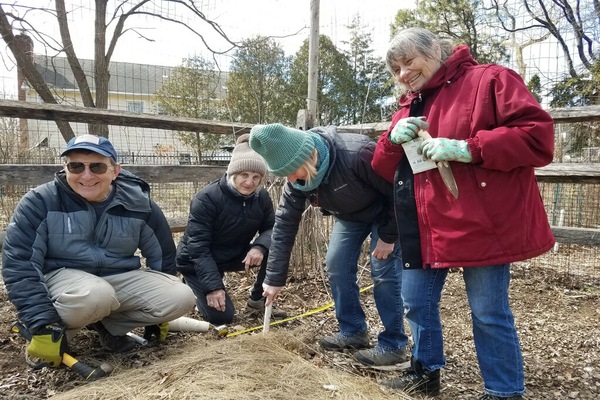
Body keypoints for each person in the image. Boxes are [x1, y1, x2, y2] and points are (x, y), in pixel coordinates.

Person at [371, 27, 555, 399]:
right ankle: (425, 371)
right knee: (416, 303)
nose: (403, 74)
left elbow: (537, 138)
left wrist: (469, 148)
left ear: (435, 50)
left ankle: (503, 391)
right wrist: (391, 141)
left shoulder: (490, 80)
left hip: (480, 222)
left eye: (409, 62)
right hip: (424, 224)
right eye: (396, 70)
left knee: (488, 311)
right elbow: (384, 168)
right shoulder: (408, 107)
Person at [1, 134, 196, 368]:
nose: (86, 175)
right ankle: (51, 335)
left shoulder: (139, 204)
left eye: (97, 166)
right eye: (76, 166)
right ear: (65, 168)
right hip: (61, 280)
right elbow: (19, 262)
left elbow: (162, 255)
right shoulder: (40, 202)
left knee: (180, 296)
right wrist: (40, 320)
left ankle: (108, 327)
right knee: (95, 295)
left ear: (115, 171)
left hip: (114, 279)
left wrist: (159, 317)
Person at [249, 123, 409, 370]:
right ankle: (353, 330)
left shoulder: (357, 155)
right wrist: (273, 278)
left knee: (383, 269)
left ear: (308, 156)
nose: (291, 180)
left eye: (292, 171)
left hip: (386, 214)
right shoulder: (298, 180)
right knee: (336, 264)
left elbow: (399, 193)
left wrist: (388, 237)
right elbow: (283, 225)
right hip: (350, 216)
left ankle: (394, 345)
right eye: (285, 175)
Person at [176, 134, 286, 326]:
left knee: (275, 248)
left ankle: (257, 300)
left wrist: (259, 247)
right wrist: (213, 288)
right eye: (244, 175)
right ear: (232, 173)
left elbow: (271, 228)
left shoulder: (261, 197)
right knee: (222, 317)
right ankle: (193, 286)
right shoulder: (207, 198)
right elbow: (198, 247)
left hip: (232, 253)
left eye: (256, 177)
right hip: (196, 260)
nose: (249, 182)